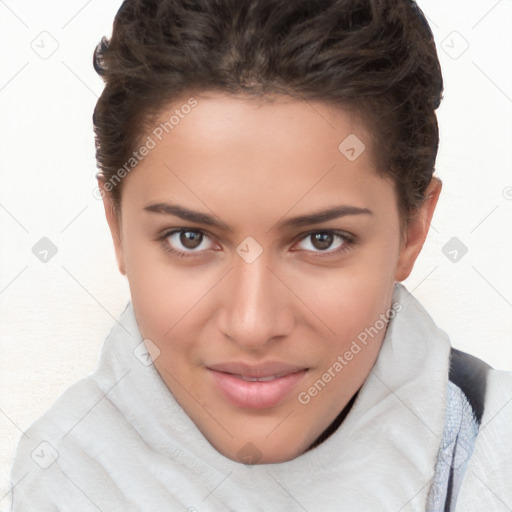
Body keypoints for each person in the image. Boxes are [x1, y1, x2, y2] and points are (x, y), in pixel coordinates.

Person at [9, 0, 511, 510]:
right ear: (117, 227)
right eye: (190, 238)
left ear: (413, 231)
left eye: (321, 240)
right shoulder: (53, 478)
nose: (252, 325)